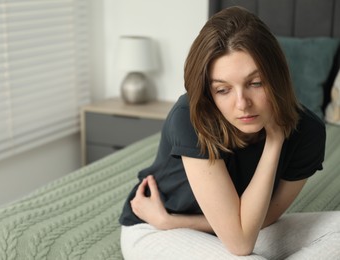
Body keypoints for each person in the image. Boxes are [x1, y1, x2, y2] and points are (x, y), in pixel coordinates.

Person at [119, 6, 340, 259]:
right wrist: (168, 223)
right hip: (155, 227)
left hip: (237, 227)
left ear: (277, 77)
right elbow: (241, 245)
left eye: (255, 83)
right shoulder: (191, 117)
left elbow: (264, 218)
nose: (242, 103)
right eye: (223, 89)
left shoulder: (308, 131)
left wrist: (275, 138)